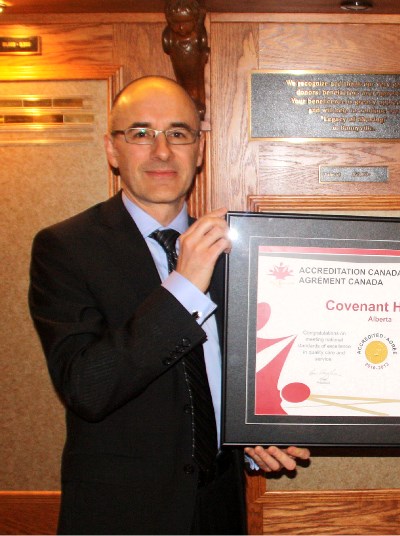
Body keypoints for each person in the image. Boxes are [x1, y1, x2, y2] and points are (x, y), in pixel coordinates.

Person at [29, 75, 310, 534]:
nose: (162, 151)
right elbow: (87, 387)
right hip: (120, 514)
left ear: (199, 151)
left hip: (219, 508)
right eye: (141, 133)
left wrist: (254, 429)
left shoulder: (236, 250)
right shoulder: (65, 248)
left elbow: (248, 370)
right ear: (111, 149)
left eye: (178, 133)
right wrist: (184, 283)